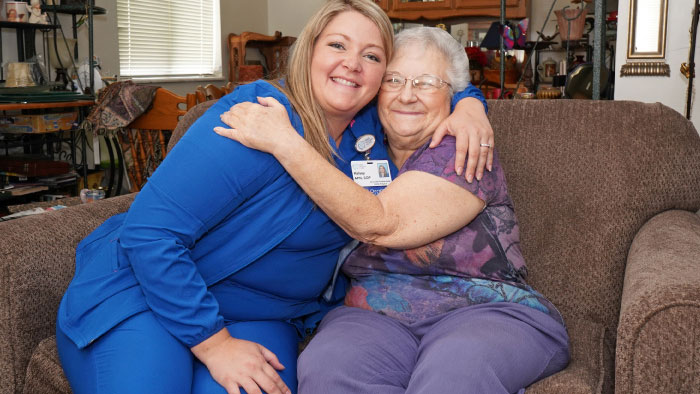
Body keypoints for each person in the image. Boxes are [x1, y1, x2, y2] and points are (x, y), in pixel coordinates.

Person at [55, 2, 494, 394]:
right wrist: (215, 345)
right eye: (337, 45)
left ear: (383, 77)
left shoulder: (373, 133)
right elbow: (150, 234)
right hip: (146, 293)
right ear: (308, 53)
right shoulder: (256, 117)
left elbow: (429, 87)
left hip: (262, 316)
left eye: (372, 56)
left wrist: (471, 105)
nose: (353, 64)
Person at [214, 26, 570, 394]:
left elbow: (383, 225)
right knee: (327, 370)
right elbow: (323, 82)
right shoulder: (356, 141)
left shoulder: (462, 147)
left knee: (453, 377)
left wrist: (284, 142)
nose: (406, 95)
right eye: (393, 80)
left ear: (451, 94)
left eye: (427, 82)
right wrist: (468, 99)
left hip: (484, 312)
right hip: (372, 316)